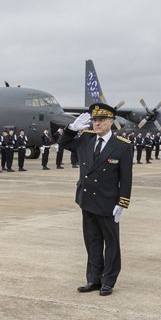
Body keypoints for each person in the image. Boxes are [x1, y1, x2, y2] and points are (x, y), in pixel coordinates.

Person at [58, 103, 133, 297]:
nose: (97, 123)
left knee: (112, 243)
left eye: (101, 120)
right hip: (87, 200)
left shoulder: (122, 146)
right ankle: (93, 279)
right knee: (92, 241)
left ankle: (108, 281)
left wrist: (122, 203)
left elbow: (126, 177)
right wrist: (71, 129)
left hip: (108, 203)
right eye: (94, 120)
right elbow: (64, 143)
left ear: (111, 121)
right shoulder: (85, 139)